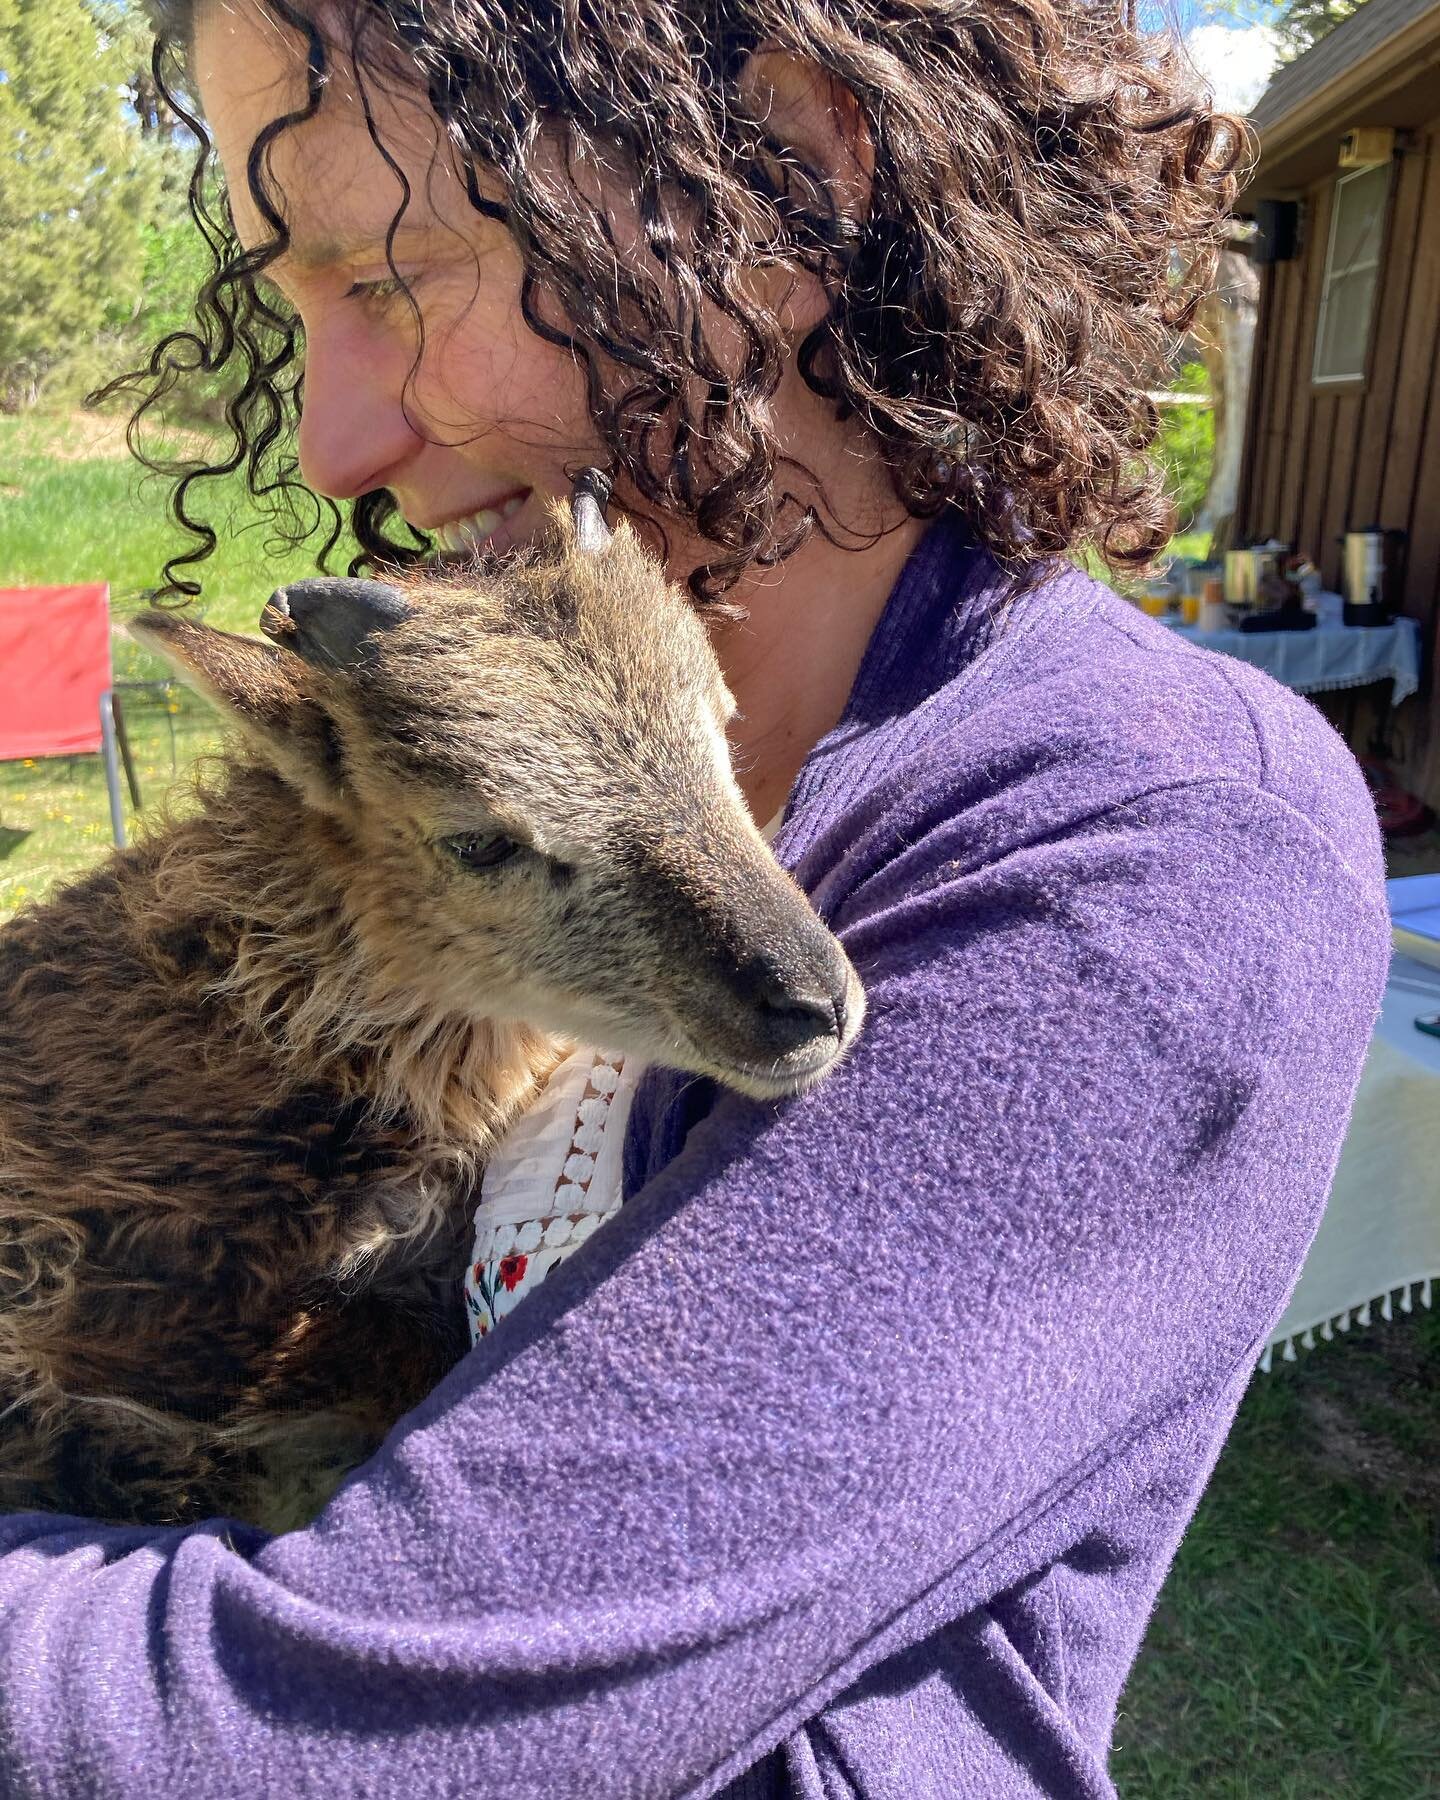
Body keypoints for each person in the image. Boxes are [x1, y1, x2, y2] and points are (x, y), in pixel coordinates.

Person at [0, 2, 1390, 1795]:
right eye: (294, 304)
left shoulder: (1144, 854)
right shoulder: (499, 747)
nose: (333, 445)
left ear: (785, 184)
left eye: (394, 277)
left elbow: (336, 1735)